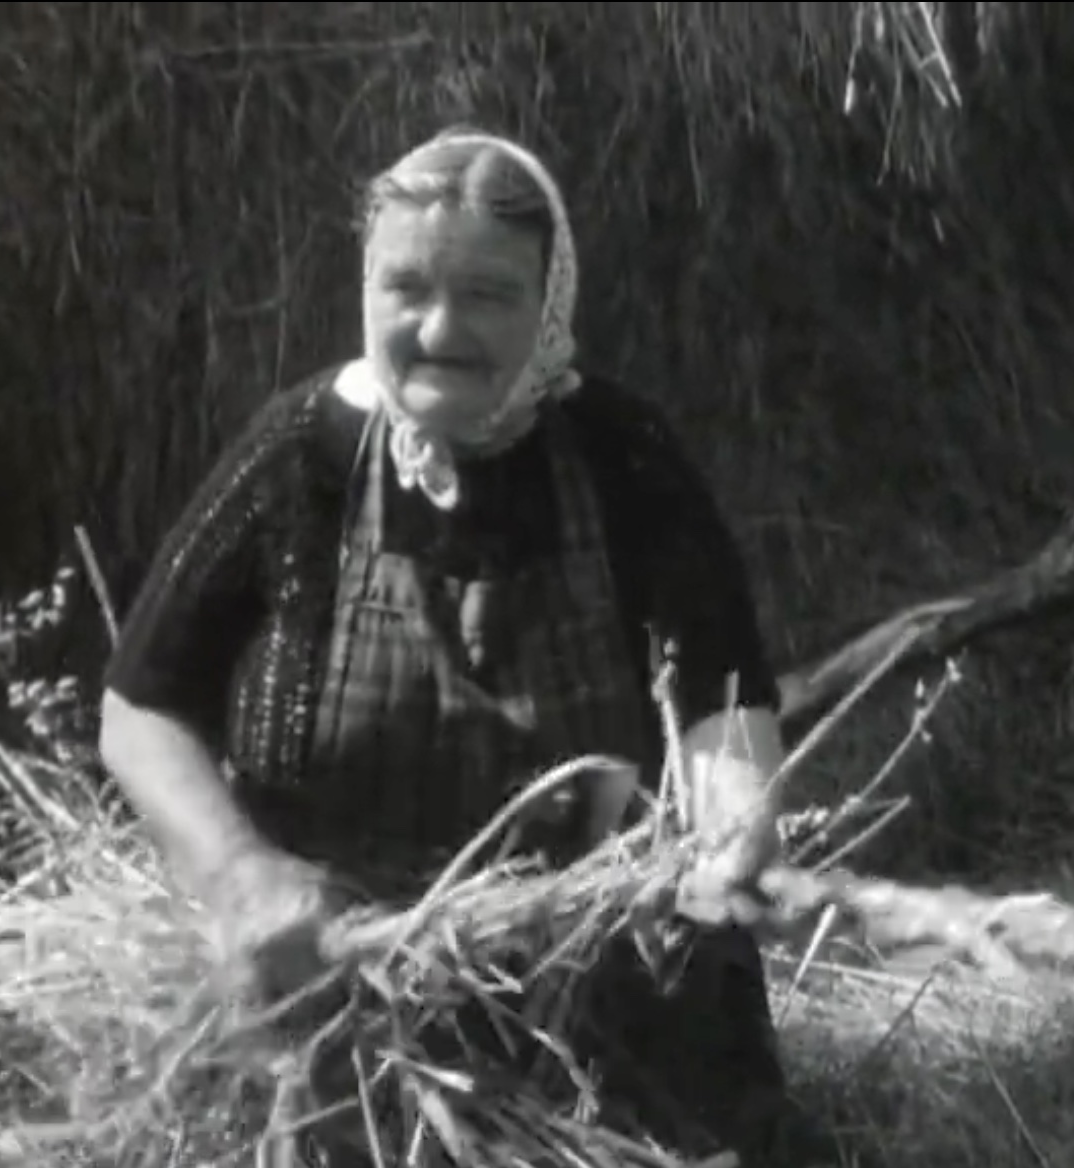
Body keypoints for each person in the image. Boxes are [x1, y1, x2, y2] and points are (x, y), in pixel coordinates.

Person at [97, 124, 800, 1166]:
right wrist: (240, 874)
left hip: (584, 956)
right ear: (365, 287)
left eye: (487, 294)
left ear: (550, 298)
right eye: (406, 288)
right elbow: (139, 709)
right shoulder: (300, 458)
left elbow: (720, 690)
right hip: (337, 970)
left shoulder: (620, 454)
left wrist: (733, 833)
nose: (438, 329)